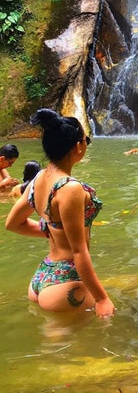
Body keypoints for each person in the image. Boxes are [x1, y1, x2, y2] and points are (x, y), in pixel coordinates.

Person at [5, 108, 115, 318]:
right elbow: (78, 252)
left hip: (43, 275)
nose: (85, 144)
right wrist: (102, 298)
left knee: (58, 346)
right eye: (85, 140)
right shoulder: (70, 188)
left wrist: (51, 230)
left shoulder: (39, 178)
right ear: (77, 147)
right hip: (65, 281)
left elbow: (13, 224)